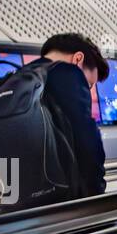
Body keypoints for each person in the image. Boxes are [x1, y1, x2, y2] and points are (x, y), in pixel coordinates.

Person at [40, 32, 110, 195]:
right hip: (56, 207)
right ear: (78, 59)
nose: (88, 91)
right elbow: (88, 153)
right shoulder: (67, 79)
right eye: (89, 84)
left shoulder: (18, 79)